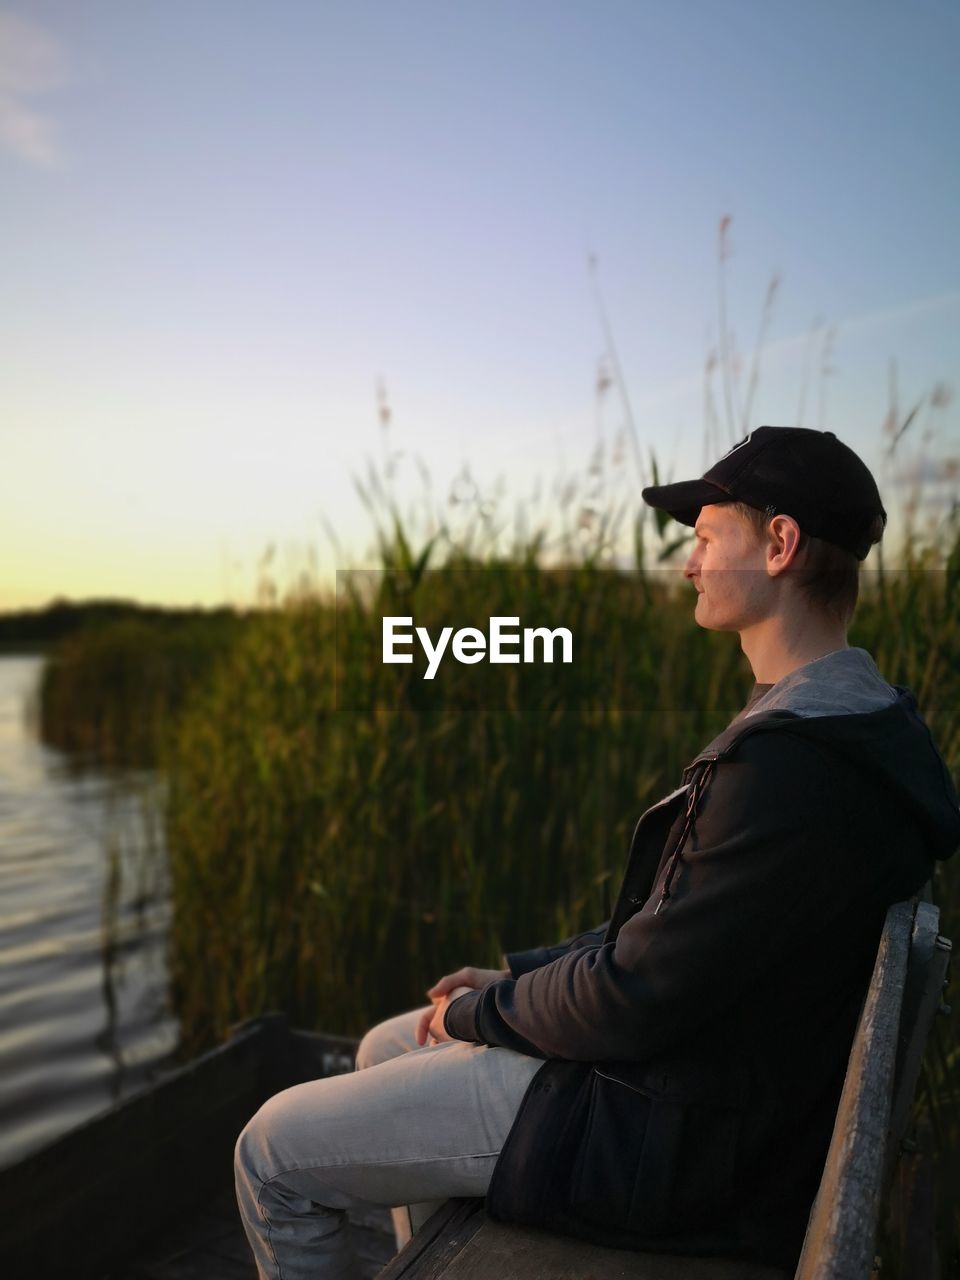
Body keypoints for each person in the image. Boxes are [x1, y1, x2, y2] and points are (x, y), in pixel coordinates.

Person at [234, 426, 960, 1279]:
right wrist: (511, 979)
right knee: (388, 1043)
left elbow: (633, 995)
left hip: (662, 1140)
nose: (688, 564)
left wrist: (479, 1012)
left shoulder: (792, 767)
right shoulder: (849, 727)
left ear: (779, 544)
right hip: (702, 1099)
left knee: (270, 1153)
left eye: (703, 537)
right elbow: (673, 931)